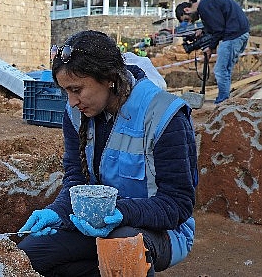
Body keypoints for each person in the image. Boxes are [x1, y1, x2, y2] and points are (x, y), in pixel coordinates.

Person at [18, 30, 198, 276]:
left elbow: (177, 204)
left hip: (162, 230)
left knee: (121, 248)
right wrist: (57, 211)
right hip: (96, 222)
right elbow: (76, 177)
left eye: (77, 89)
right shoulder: (76, 114)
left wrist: (121, 212)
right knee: (31, 254)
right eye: (66, 91)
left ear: (109, 78)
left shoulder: (163, 115)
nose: (71, 101)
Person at [175, 0, 249, 104]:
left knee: (220, 71)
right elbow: (218, 22)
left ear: (187, 9)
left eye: (187, 19)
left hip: (233, 35)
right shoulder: (207, 3)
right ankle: (225, 100)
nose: (191, 21)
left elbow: (219, 29)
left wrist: (210, 47)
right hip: (240, 33)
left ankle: (222, 102)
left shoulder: (204, 6)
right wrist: (204, 30)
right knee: (225, 70)